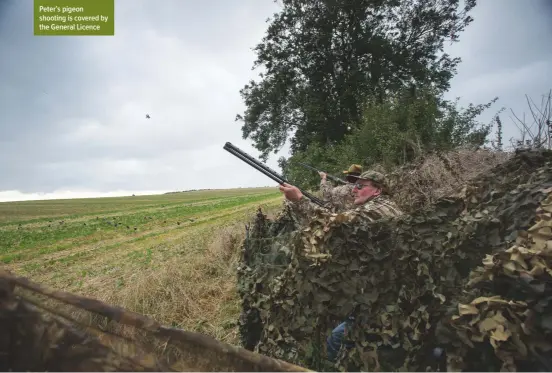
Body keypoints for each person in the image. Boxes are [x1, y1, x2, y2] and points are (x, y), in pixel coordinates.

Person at [279, 170, 404, 362]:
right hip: (380, 294)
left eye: (361, 186)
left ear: (377, 190)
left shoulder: (380, 210)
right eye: (355, 185)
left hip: (384, 302)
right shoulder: (380, 207)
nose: (354, 190)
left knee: (337, 341)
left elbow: (335, 225)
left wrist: (299, 200)